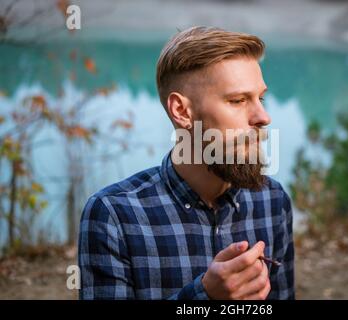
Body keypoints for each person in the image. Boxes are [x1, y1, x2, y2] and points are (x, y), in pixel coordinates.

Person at [78, 26, 295, 300]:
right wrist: (204, 297)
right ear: (181, 111)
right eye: (238, 100)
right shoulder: (114, 215)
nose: (263, 116)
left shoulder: (273, 201)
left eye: (260, 98)